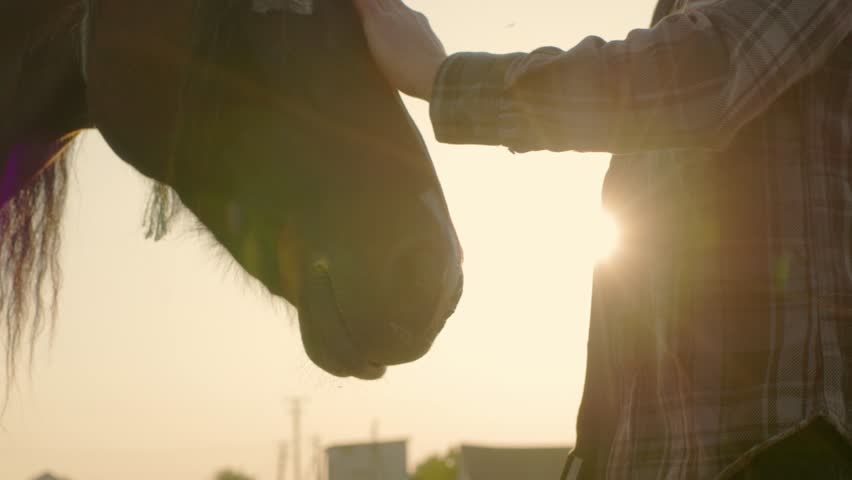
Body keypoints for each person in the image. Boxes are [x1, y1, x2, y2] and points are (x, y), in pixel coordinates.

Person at [351, 0, 852, 478]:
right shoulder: (677, 13)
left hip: (784, 448)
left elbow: (707, 71)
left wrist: (444, 78)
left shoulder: (697, 36)